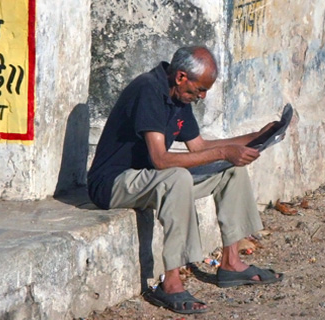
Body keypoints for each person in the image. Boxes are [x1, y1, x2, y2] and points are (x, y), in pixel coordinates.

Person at [87, 46, 282, 314]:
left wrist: (256, 136)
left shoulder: (180, 97)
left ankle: (231, 263)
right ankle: (172, 282)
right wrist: (225, 152)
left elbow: (199, 146)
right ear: (180, 77)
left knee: (230, 169)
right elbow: (161, 160)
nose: (200, 97)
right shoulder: (148, 90)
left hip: (151, 178)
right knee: (177, 176)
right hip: (113, 183)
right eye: (198, 90)